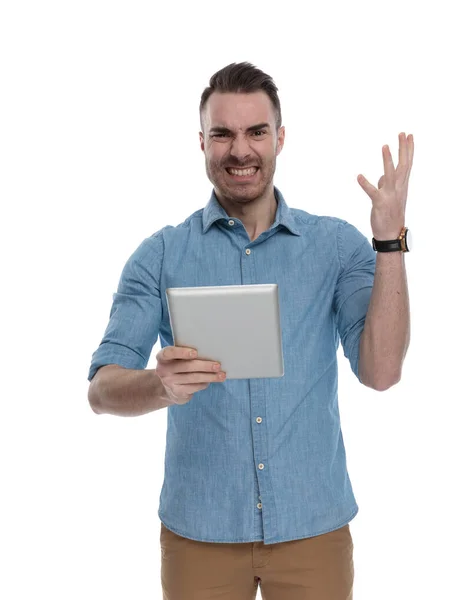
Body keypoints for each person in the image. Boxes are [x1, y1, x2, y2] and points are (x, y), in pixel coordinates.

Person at [87, 61, 413, 600]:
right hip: (200, 534)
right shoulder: (161, 254)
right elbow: (101, 389)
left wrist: (389, 242)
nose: (241, 151)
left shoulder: (335, 246)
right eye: (223, 134)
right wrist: (158, 386)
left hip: (314, 528)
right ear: (202, 142)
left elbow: (382, 372)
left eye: (256, 132)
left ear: (280, 138)